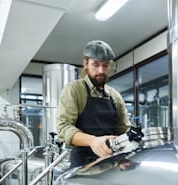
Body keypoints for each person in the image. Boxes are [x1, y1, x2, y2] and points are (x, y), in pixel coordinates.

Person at [56, 40, 132, 168]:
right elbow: (64, 128)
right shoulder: (74, 89)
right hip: (83, 165)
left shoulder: (115, 96)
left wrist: (129, 148)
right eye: (95, 65)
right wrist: (93, 141)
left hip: (111, 162)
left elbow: (123, 130)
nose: (101, 70)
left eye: (105, 65)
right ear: (86, 63)